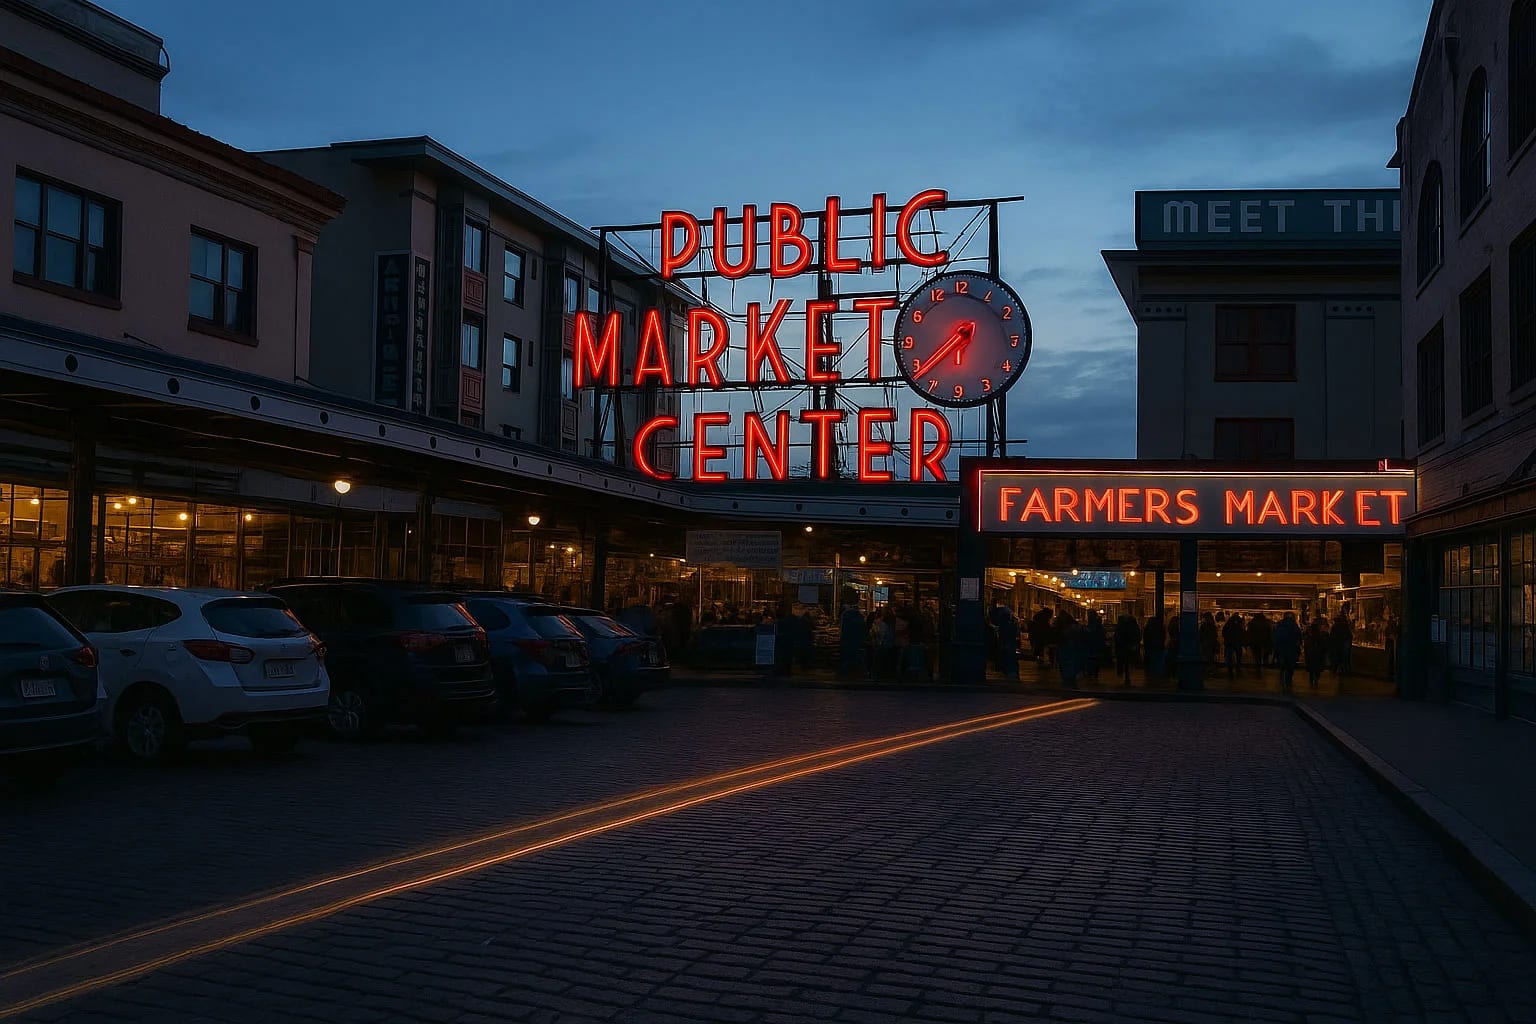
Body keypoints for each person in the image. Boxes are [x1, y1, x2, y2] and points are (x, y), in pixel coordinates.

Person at [1273, 611, 1302, 694]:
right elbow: (1299, 638)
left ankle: (1282, 681)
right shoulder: (1294, 626)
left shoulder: (1280, 625)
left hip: (1282, 649)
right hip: (1291, 649)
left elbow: (1276, 637)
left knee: (1282, 666)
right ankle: (1288, 682)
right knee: (1290, 667)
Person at [994, 603, 1020, 680]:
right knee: (1010, 656)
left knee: (1006, 655)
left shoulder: (1003, 623)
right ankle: (1012, 672)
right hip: (1010, 642)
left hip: (1005, 641)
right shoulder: (1012, 623)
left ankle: (1008, 671)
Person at [838, 602, 865, 678]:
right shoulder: (859, 617)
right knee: (854, 655)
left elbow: (843, 629)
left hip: (847, 640)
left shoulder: (846, 615)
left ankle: (844, 671)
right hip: (855, 640)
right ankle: (861, 670)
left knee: (849, 656)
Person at [1113, 613, 1140, 686]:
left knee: (1122, 661)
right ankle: (1127, 676)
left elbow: (1117, 637)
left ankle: (1122, 675)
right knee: (1128, 662)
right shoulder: (1133, 626)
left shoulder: (1120, 626)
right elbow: (1137, 635)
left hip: (1122, 647)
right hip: (1129, 647)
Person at [1056, 611, 1081, 688]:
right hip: (1067, 644)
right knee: (1068, 661)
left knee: (1065, 661)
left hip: (1066, 644)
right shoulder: (1073, 626)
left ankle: (1068, 677)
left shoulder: (1062, 625)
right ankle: (1069, 677)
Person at [1304, 617, 1329, 690]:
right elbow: (1324, 646)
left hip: (1311, 653)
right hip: (1318, 654)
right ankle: (1316, 679)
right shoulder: (1321, 636)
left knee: (1312, 668)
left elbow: (1306, 645)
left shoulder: (1309, 636)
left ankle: (1312, 679)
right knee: (1317, 668)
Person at [1330, 612, 1354, 679]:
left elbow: (1332, 636)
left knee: (1337, 659)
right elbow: (1349, 636)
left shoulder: (1335, 627)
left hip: (1338, 646)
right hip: (1343, 646)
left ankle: (1336, 670)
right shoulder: (1345, 627)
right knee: (1344, 660)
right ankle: (1344, 671)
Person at [1083, 611, 1105, 682]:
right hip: (1096, 644)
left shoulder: (1091, 625)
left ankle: (1091, 673)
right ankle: (1094, 673)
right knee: (1095, 659)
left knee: (1091, 659)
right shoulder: (1098, 624)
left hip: (1092, 643)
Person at [1222, 611, 1245, 678]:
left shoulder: (1228, 625)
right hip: (1237, 642)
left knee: (1230, 656)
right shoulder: (1239, 626)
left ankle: (1230, 668)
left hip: (1229, 643)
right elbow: (1242, 634)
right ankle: (1238, 666)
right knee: (1238, 655)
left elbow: (1224, 633)